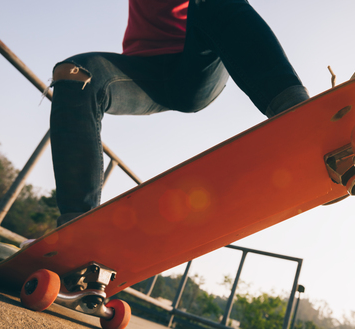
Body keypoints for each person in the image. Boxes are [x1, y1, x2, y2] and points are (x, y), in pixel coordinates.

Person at [49, 0, 310, 226]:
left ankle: (300, 122)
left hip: (196, 65)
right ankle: (77, 225)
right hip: (143, 77)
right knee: (73, 74)